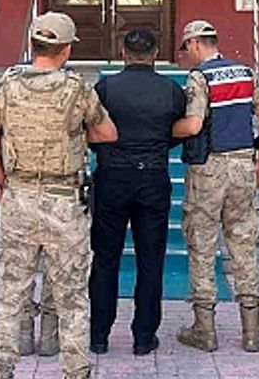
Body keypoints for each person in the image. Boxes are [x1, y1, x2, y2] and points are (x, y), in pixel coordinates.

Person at [0, 12, 118, 379]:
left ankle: (0, 370)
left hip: (18, 200)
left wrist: (8, 186)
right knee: (73, 298)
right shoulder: (77, 89)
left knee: (10, 296)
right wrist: (75, 135)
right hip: (64, 203)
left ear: (32, 45)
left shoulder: (6, 86)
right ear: (67, 50)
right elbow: (108, 134)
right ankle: (75, 371)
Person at [172, 19, 259, 353]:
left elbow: (193, 125)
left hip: (210, 169)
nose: (186, 54)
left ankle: (205, 330)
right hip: (244, 164)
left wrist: (162, 130)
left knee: (202, 244)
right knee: (243, 243)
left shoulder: (199, 78)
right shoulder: (245, 73)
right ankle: (252, 332)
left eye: (186, 48)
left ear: (195, 43)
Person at [88, 29, 187, 356]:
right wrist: (157, 147)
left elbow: (90, 130)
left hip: (112, 177)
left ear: (123, 52)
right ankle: (144, 337)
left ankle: (99, 336)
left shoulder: (105, 88)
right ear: (156, 53)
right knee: (150, 260)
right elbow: (179, 131)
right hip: (153, 177)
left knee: (105, 258)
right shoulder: (172, 91)